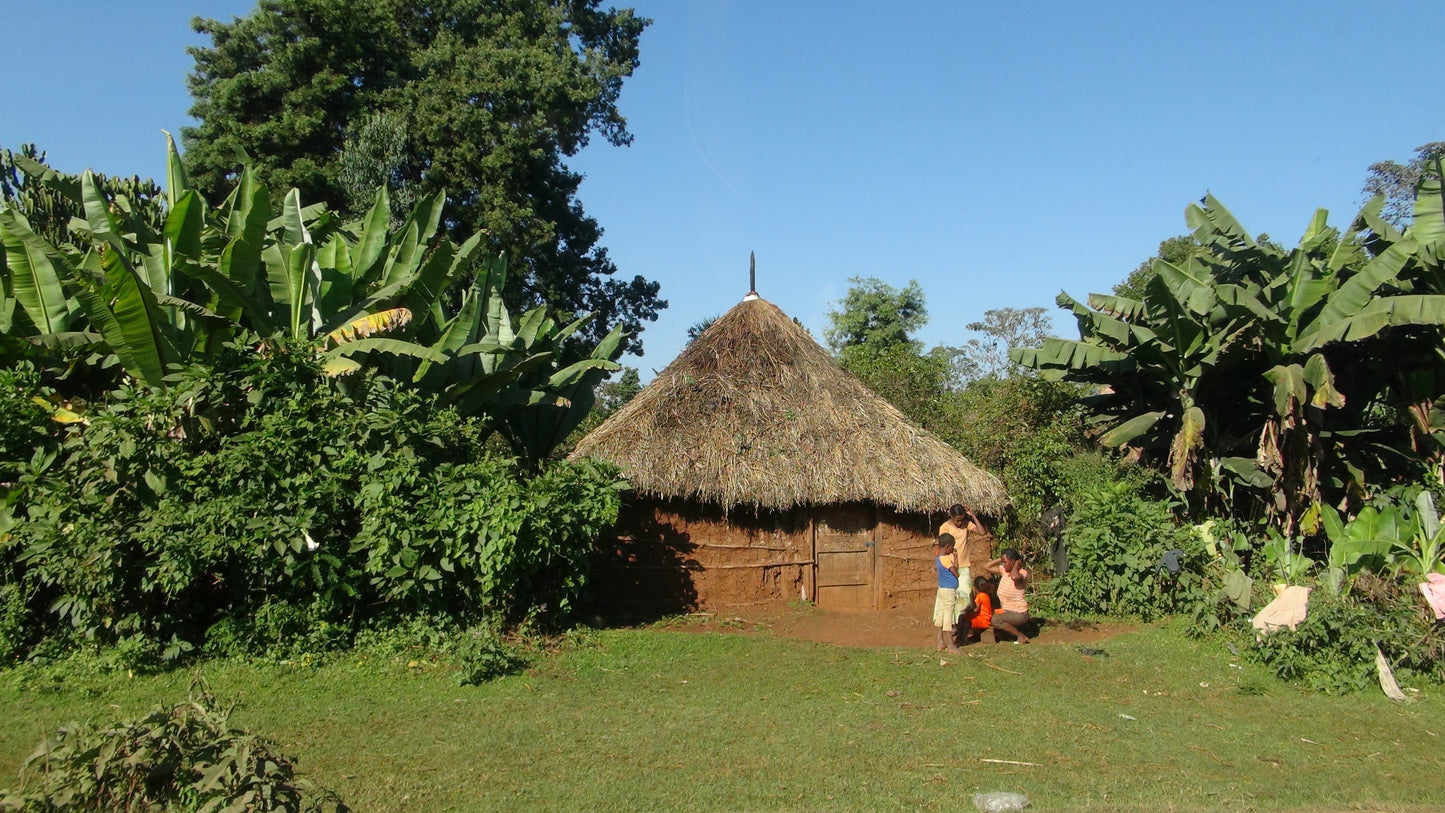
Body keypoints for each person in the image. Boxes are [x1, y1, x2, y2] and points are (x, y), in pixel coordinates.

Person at [986, 548, 1031, 644]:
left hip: (1019, 613)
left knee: (996, 620)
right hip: (1007, 610)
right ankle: (1008, 634)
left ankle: (1021, 636)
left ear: (1013, 562)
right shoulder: (1004, 571)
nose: (1003, 565)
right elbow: (986, 567)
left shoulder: (1022, 573)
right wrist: (1001, 559)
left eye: (1005, 562)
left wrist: (1016, 565)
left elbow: (1014, 577)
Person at [933, 534, 961, 653]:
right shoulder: (946, 559)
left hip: (942, 590)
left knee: (941, 614)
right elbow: (956, 572)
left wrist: (955, 557)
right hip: (949, 591)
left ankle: (940, 642)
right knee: (948, 616)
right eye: (952, 547)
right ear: (948, 546)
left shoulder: (938, 558)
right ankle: (951, 645)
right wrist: (956, 559)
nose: (952, 549)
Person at [958, 574, 996, 645]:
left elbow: (975, 609)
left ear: (975, 588)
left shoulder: (980, 596)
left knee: (965, 620)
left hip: (983, 621)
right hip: (985, 619)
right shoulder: (986, 594)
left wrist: (967, 608)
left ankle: (961, 640)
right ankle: (960, 638)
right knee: (963, 617)